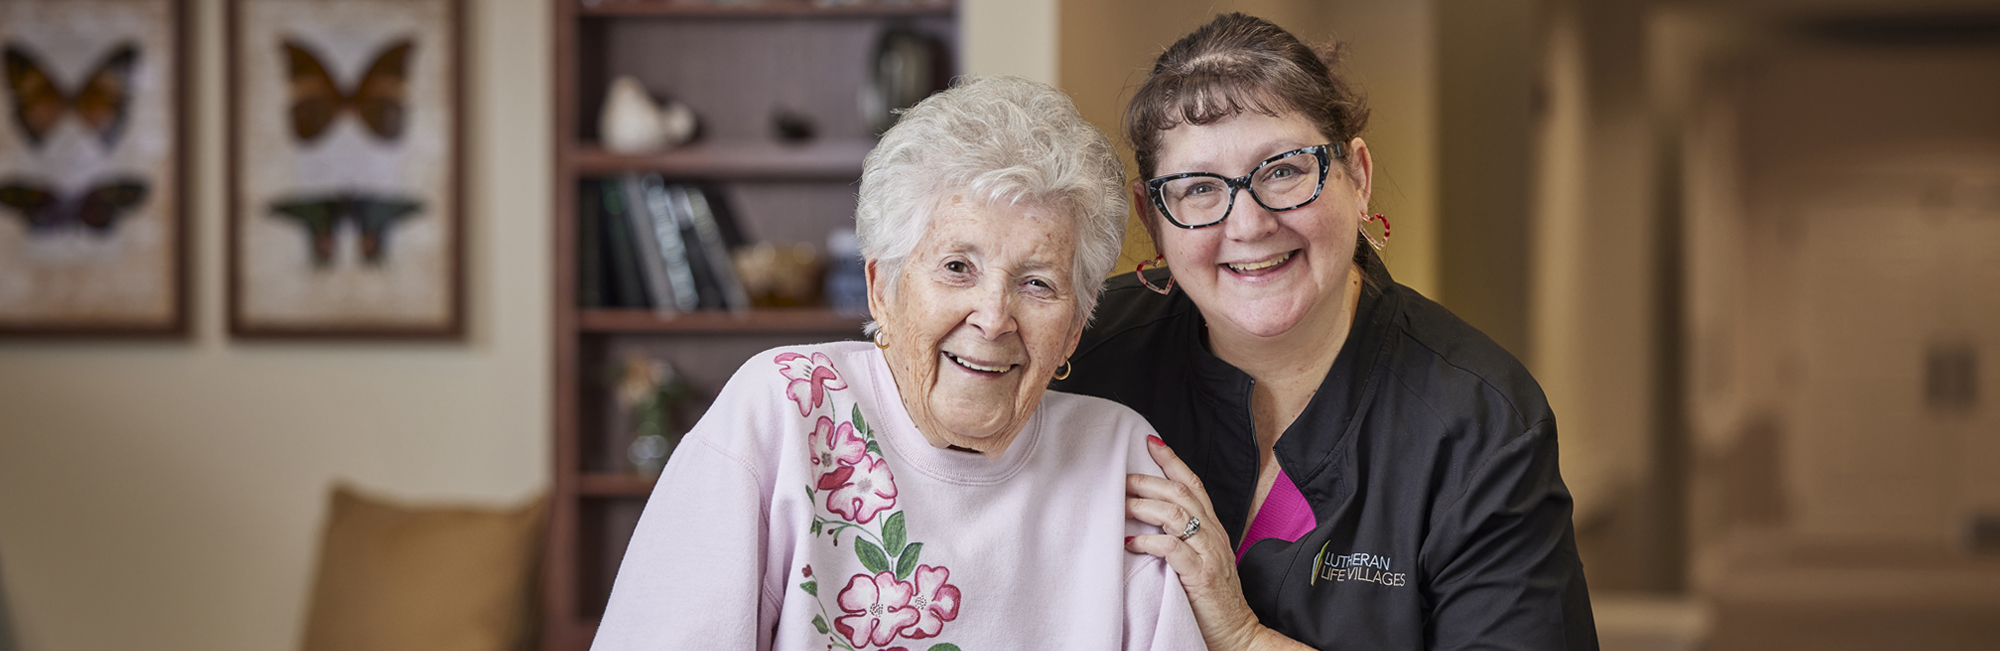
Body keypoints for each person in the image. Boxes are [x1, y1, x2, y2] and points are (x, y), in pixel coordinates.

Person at [591, 76, 1204, 651]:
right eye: (957, 267)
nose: (994, 317)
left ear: (1075, 326)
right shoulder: (783, 410)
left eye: (1038, 283)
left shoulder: (1122, 458)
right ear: (881, 288)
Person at [1051, 13, 1599, 651]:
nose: (1250, 225)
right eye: (1198, 188)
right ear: (1153, 215)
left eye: (1283, 170)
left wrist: (1241, 635)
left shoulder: (1478, 425)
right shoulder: (1077, 351)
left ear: (1357, 177)